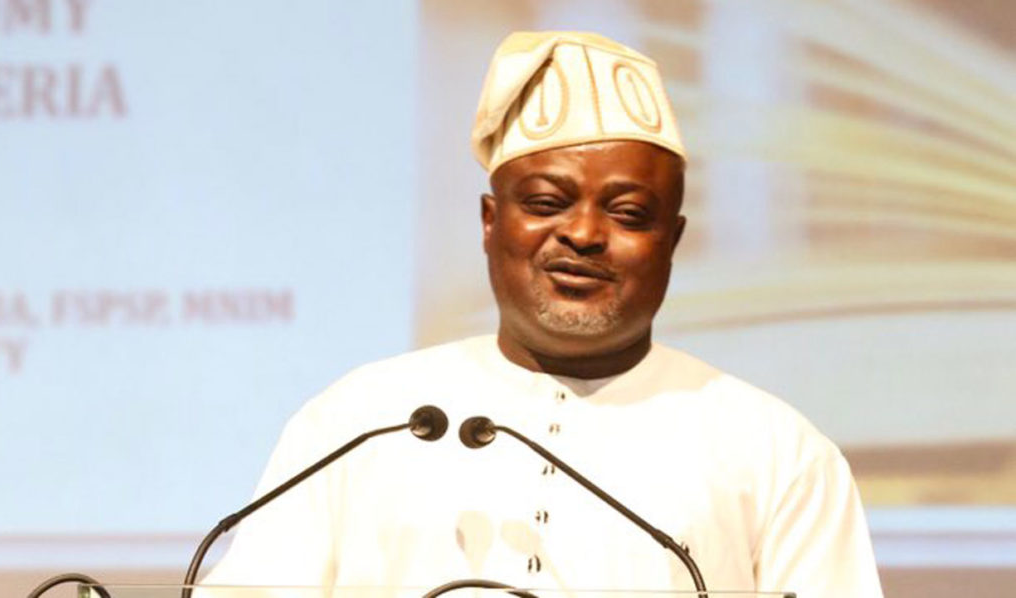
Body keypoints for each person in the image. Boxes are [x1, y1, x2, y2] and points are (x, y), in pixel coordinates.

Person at [204, 32, 883, 596]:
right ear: (490, 222)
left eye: (628, 213)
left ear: (671, 240)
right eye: (546, 203)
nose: (583, 234)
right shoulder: (358, 421)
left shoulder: (776, 453)